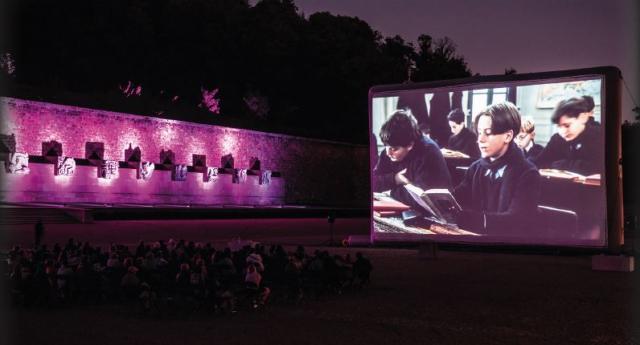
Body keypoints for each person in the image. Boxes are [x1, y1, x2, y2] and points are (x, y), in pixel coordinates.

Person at [453, 102, 541, 235]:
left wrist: (466, 218)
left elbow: (515, 221)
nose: (480, 139)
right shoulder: (475, 168)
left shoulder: (528, 174)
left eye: (488, 133)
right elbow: (458, 198)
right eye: (479, 132)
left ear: (508, 136)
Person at [373, 109, 452, 206]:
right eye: (386, 146)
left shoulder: (429, 152)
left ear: (410, 145)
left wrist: (390, 192)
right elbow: (373, 182)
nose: (388, 153)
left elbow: (421, 198)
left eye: (394, 149)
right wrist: (395, 179)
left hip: (437, 212)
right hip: (403, 206)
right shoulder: (390, 146)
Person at [530, 96, 603, 176]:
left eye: (567, 125)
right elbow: (540, 161)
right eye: (559, 126)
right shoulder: (557, 138)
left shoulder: (599, 136)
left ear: (583, 117)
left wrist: (562, 164)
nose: (563, 132)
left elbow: (598, 167)